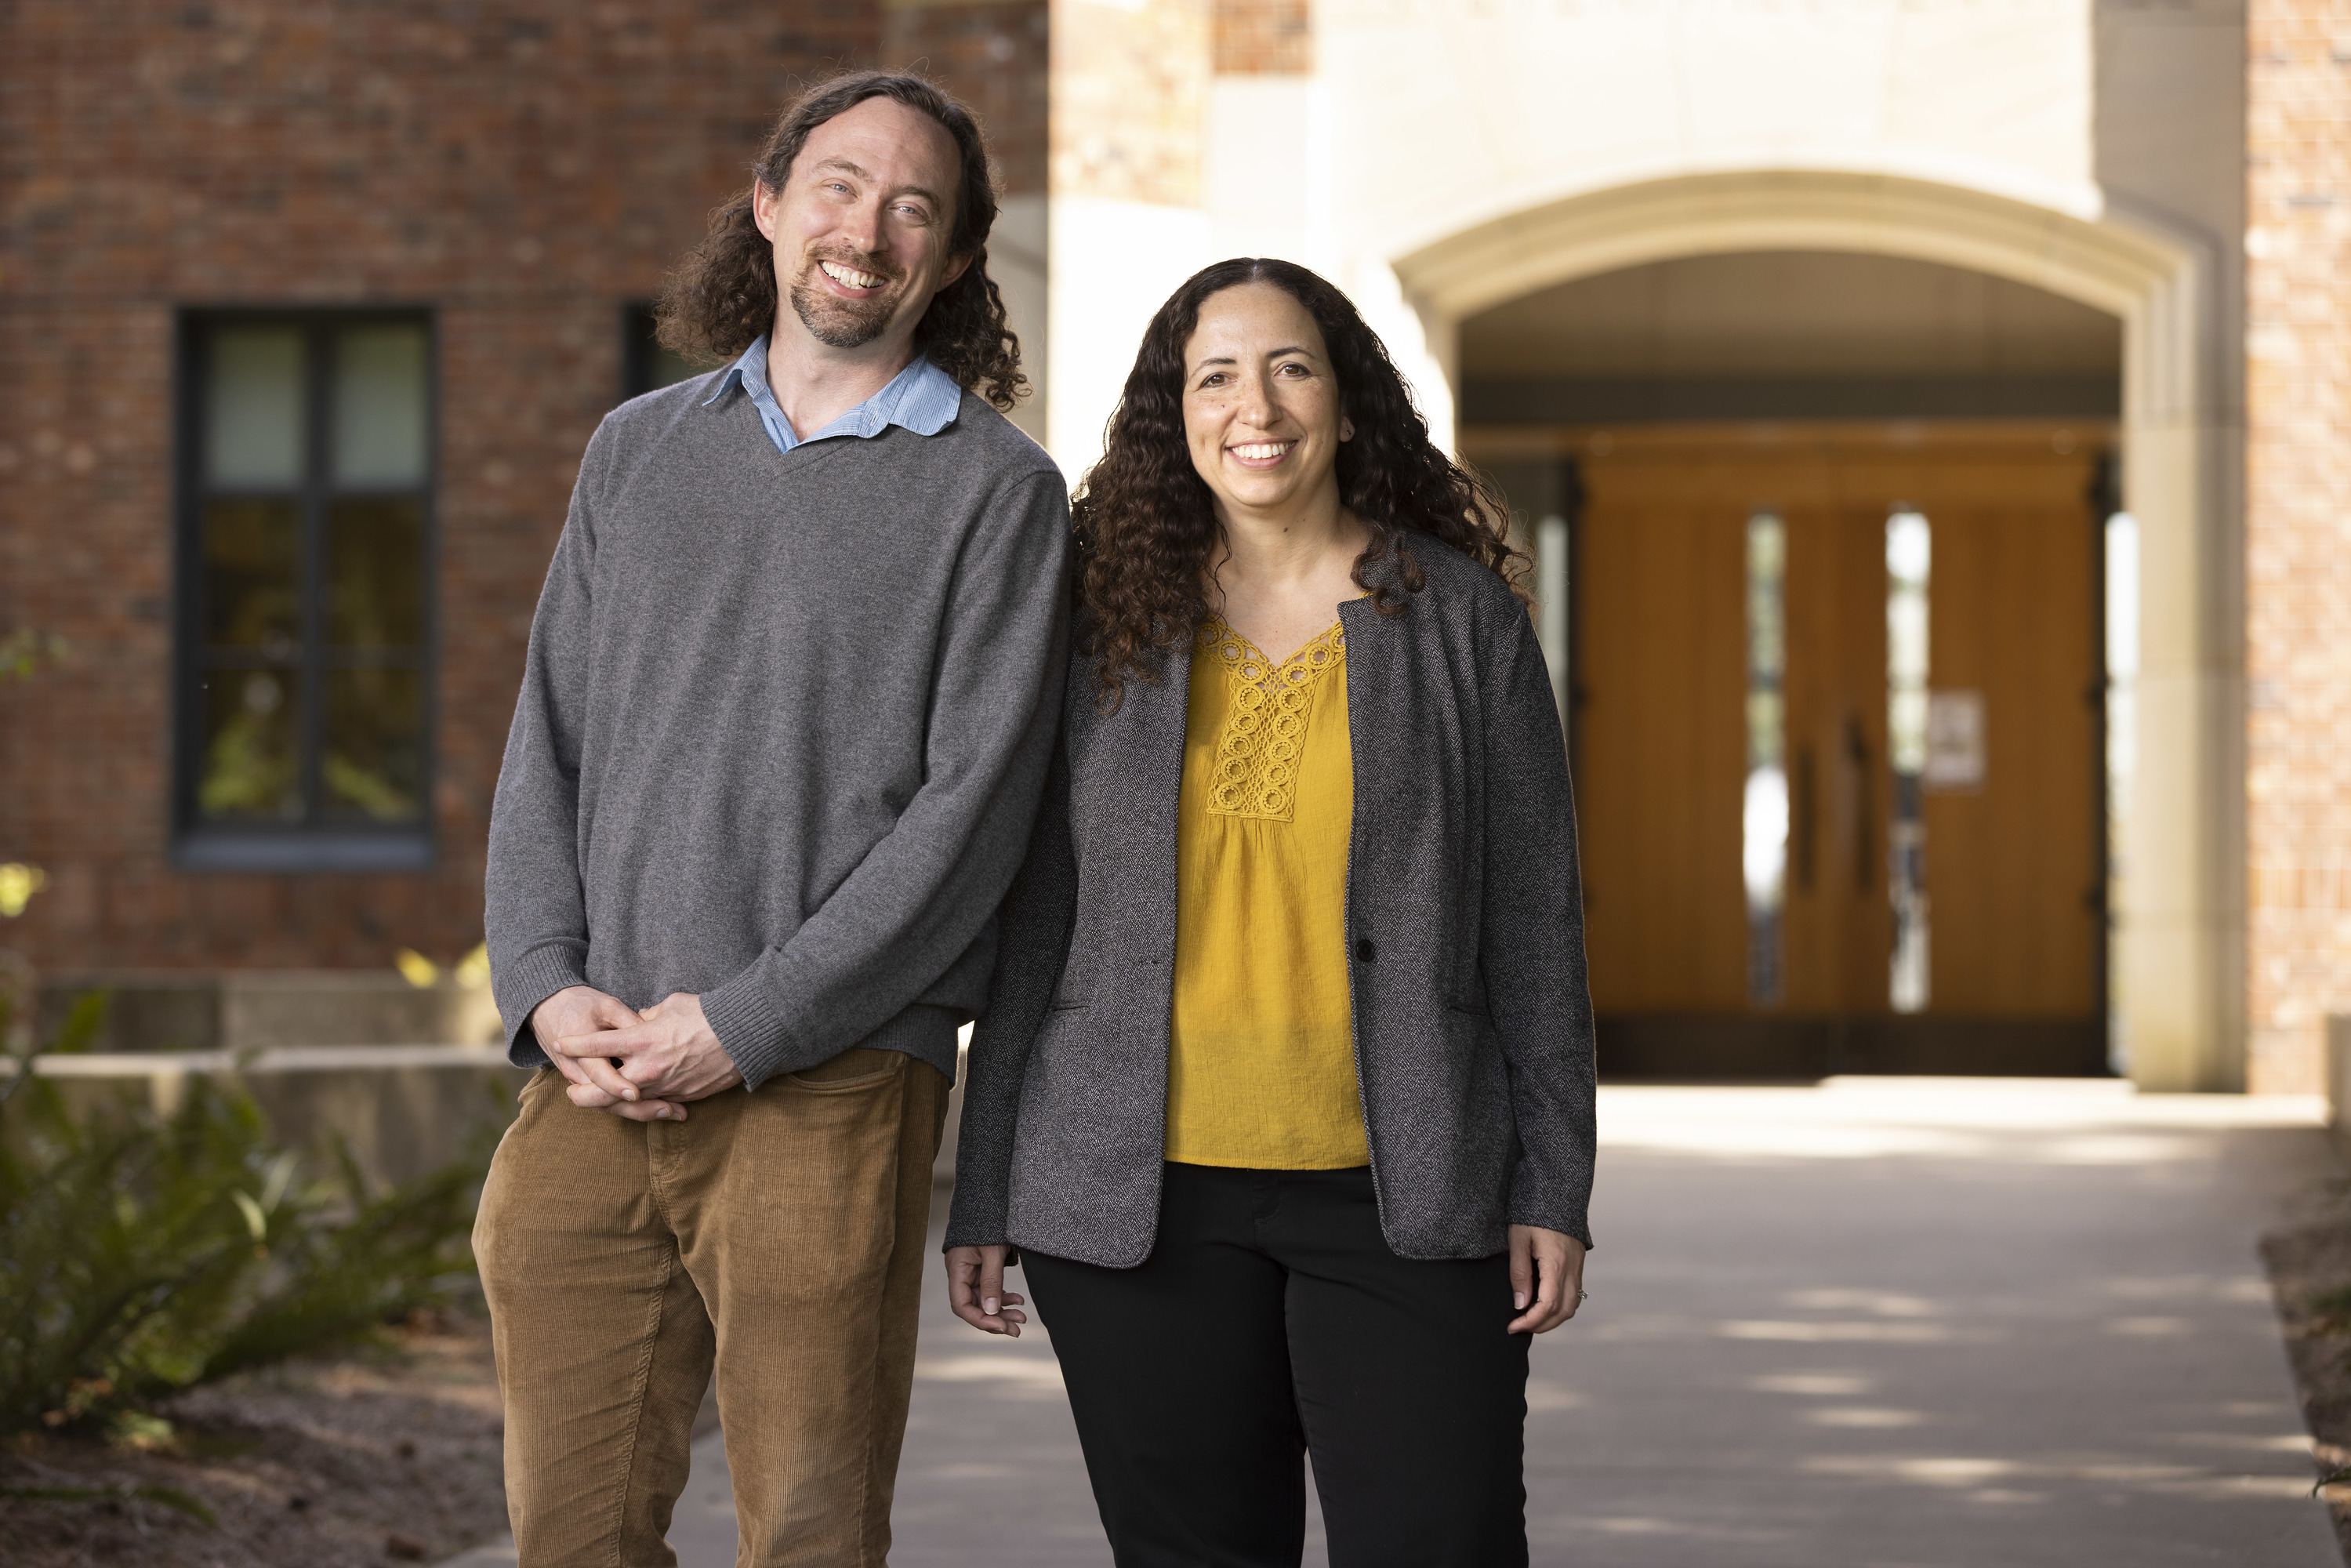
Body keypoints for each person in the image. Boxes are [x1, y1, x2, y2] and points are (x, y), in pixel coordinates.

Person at [476, 71, 1069, 1566]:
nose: (866, 227)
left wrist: (747, 1022)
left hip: (832, 1085)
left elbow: (972, 820)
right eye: (839, 184)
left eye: (912, 207)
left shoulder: (998, 496)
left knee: (807, 1539)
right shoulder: (637, 451)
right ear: (769, 203)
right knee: (568, 1538)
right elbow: (546, 741)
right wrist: (544, 991)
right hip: (596, 1077)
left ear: (948, 260)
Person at [944, 257, 1596, 1568]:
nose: (1259, 405)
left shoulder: (1460, 619)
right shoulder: (1100, 617)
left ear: (1348, 404)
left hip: (1407, 1192)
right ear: (1173, 414)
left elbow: (1534, 917)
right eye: (1218, 374)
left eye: (1293, 367)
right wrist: (988, 1179)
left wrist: (1556, 1178)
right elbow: (1035, 912)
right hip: (1136, 1211)